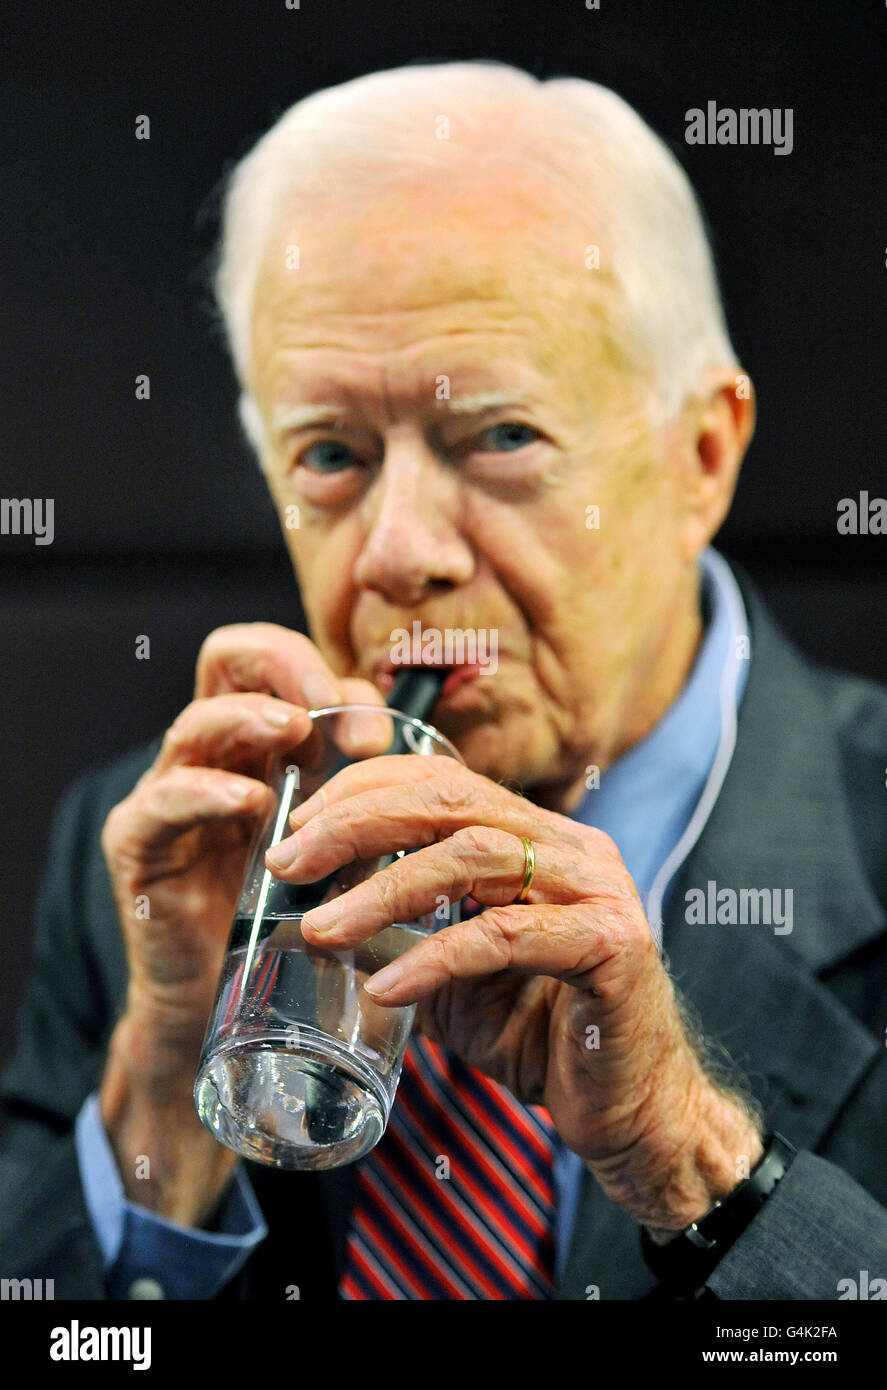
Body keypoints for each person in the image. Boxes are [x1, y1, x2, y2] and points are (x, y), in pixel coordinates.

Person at [2, 60, 886, 1301]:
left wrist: (694, 1165)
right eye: (330, 454)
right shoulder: (155, 876)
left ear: (700, 455)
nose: (399, 552)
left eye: (500, 436)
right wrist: (163, 1098)